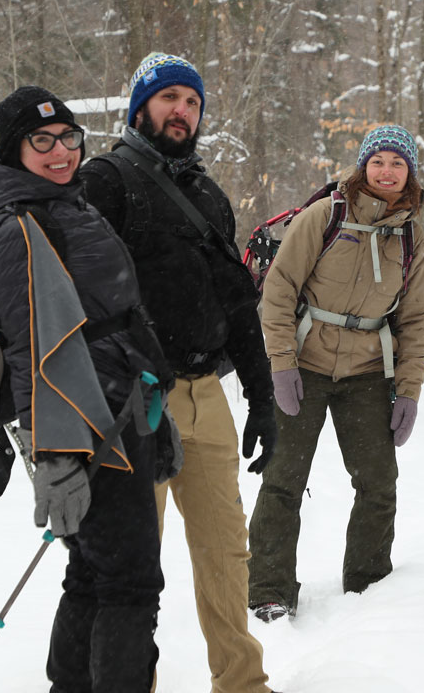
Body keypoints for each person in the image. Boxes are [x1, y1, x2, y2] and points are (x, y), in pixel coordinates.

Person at [0, 85, 176, 692]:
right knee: (129, 583)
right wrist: (55, 456)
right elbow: (36, 347)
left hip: (119, 408)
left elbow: (118, 316)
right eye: (42, 141)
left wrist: (154, 410)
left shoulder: (65, 204)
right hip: (85, 425)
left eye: (69, 138)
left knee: (93, 573)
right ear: (14, 149)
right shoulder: (17, 224)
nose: (60, 151)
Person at [81, 52, 279, 693]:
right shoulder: (105, 182)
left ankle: (243, 684)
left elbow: (238, 301)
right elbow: (78, 300)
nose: (182, 111)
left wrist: (261, 394)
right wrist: (119, 378)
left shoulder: (206, 193)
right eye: (170, 99)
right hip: (133, 403)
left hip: (206, 398)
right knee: (134, 565)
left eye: (192, 102)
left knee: (227, 552)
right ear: (141, 107)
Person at [246, 124, 424, 623]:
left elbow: (416, 320)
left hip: (369, 373)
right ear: (363, 166)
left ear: (409, 172)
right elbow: (280, 290)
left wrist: (408, 392)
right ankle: (268, 590)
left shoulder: (411, 235)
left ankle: (369, 586)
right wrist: (282, 363)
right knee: (283, 480)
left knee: (378, 482)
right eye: (379, 162)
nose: (387, 171)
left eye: (398, 163)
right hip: (304, 367)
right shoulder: (325, 216)